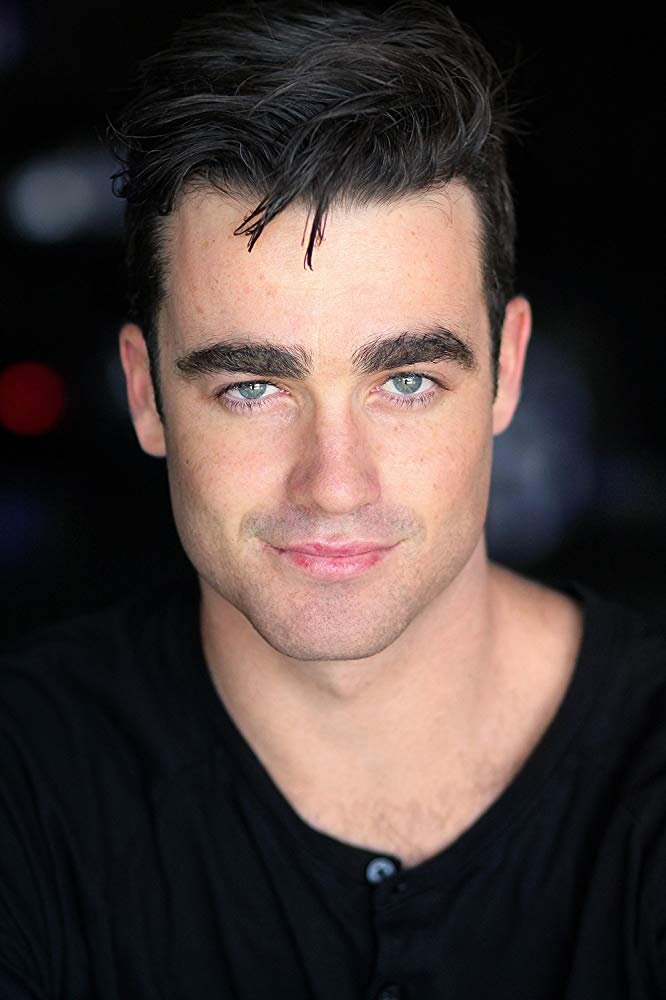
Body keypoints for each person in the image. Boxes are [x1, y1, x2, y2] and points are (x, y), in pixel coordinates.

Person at [1, 1, 664, 997]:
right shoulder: (26, 779)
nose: (335, 483)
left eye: (407, 381)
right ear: (145, 395)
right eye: (252, 388)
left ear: (508, 371)